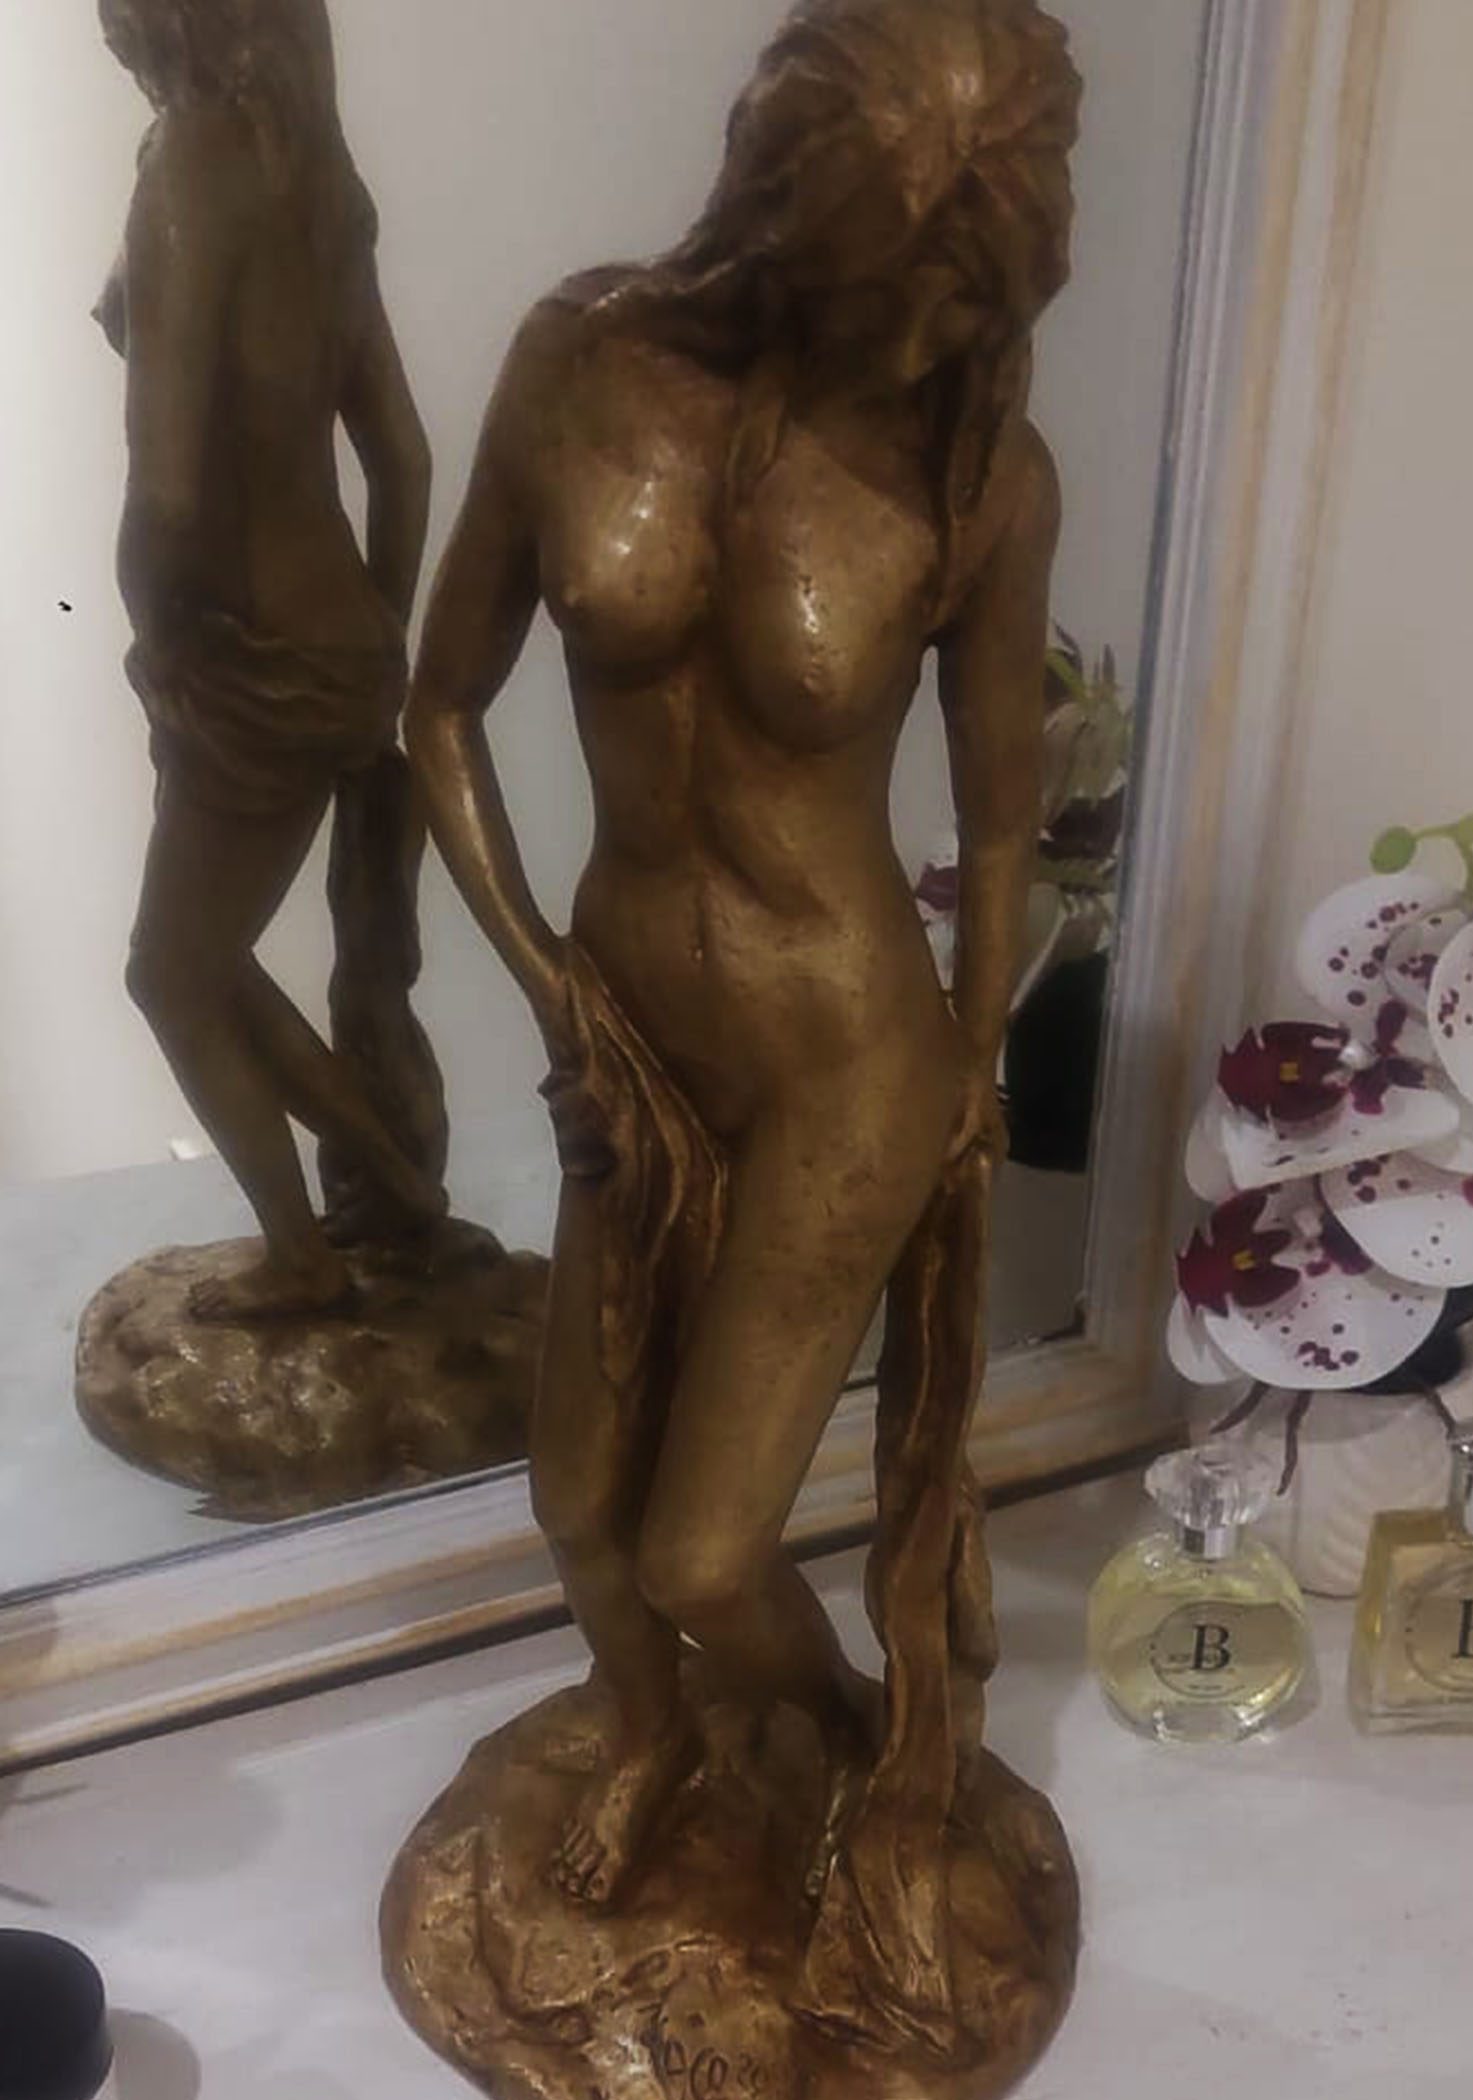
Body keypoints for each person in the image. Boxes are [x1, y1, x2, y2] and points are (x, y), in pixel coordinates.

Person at [408, 0, 1081, 1907]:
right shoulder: (578, 363)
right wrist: (551, 990)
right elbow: (441, 705)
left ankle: (871, 1752)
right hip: (627, 1033)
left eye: (962, 308)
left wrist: (976, 1063)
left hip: (844, 1054)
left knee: (706, 1552)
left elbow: (1003, 813)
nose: (920, 346)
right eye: (889, 289)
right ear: (782, 205)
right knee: (576, 1513)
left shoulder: (981, 478)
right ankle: (652, 1736)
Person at [100, 0, 444, 1321]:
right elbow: (403, 461)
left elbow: (167, 491)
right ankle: (396, 1184)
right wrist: (376, 655)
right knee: (212, 952)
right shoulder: (325, 189)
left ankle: (303, 1256)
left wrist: (160, 646)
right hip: (334, 643)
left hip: (239, 652)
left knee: (169, 975)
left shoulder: (190, 165)